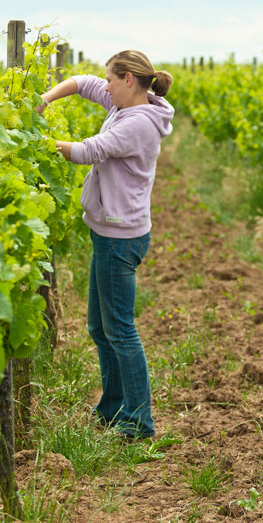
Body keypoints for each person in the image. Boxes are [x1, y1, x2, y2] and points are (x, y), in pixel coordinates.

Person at [37, 50, 174, 439]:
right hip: (108, 231)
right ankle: (113, 408)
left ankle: (138, 421)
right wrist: (44, 100)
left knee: (120, 329)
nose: (106, 85)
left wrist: (35, 139)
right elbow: (82, 82)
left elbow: (87, 151)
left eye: (111, 79)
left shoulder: (139, 124)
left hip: (120, 236)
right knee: (100, 326)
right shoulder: (125, 101)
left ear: (129, 79)